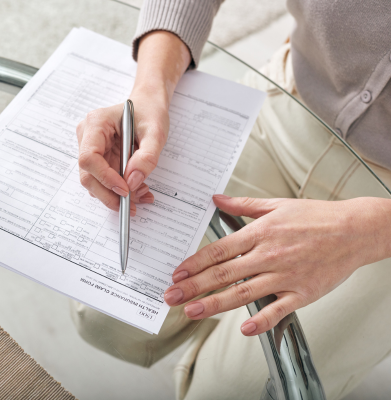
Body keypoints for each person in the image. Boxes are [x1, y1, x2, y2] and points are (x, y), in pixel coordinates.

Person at [73, 0, 391, 399]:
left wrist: (369, 231)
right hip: (292, 101)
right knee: (108, 310)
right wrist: (151, 85)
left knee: (228, 392)